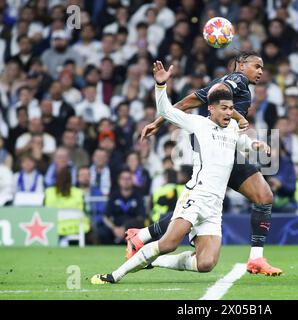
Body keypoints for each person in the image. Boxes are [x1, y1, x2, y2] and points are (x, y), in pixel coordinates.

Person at [91, 61, 273, 284]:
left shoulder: (232, 128)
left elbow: (241, 143)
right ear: (211, 109)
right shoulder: (198, 124)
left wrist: (257, 146)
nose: (228, 113)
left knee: (206, 264)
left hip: (215, 207)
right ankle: (114, 275)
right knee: (168, 244)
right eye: (224, 109)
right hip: (195, 198)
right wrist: (161, 85)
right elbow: (166, 111)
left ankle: (151, 260)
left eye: (231, 109)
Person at [133, 51, 282, 275]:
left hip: (222, 143)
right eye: (256, 66)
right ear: (241, 65)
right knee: (260, 196)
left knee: (202, 203)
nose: (261, 71)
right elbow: (201, 101)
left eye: (262, 68)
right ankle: (256, 259)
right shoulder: (237, 80)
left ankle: (141, 236)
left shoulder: (230, 84)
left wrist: (159, 121)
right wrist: (240, 118)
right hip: (217, 145)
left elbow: (189, 101)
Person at [97, 168, 147, 245]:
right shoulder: (114, 196)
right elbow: (106, 217)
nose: (126, 181)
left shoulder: (138, 196)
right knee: (101, 232)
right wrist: (114, 228)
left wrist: (125, 228)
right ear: (119, 181)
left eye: (128, 179)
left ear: (132, 180)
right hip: (115, 228)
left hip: (133, 229)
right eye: (123, 178)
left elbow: (141, 217)